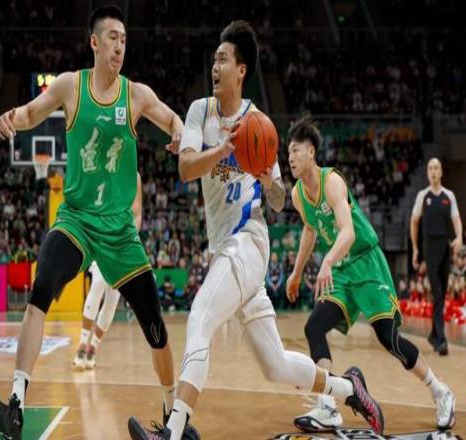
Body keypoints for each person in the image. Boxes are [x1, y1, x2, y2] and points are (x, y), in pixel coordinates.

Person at [127, 21, 384, 440]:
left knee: (200, 317)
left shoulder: (260, 123)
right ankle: (349, 389)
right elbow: (186, 168)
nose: (215, 67)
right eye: (213, 60)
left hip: (248, 241)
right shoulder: (199, 111)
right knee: (275, 365)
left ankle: (173, 430)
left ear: (241, 70)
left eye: (223, 60)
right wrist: (222, 149)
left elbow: (280, 200)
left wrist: (268, 181)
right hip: (224, 248)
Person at [0, 6, 197, 440]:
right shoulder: (70, 85)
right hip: (77, 221)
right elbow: (31, 113)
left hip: (119, 231)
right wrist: (11, 118)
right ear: (95, 42)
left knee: (154, 325)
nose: (120, 46)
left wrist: (179, 134)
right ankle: (16, 406)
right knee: (41, 290)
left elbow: (172, 119)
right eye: (113, 37)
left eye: (124, 39)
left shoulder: (136, 95)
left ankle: (173, 417)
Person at [286, 115, 456, 432]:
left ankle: (440, 391)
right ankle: (327, 406)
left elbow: (348, 232)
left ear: (311, 152)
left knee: (388, 338)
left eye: (296, 150)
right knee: (314, 328)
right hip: (342, 271)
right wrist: (296, 273)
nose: (291, 157)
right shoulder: (298, 194)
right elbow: (310, 229)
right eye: (288, 152)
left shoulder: (331, 182)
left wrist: (326, 261)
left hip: (366, 262)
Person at [72, 172, 142, 371]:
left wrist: (129, 237)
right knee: (98, 284)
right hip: (102, 239)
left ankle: (93, 348)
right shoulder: (102, 170)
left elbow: (137, 214)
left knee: (112, 300)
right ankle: (81, 345)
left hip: (123, 244)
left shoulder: (134, 175)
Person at [410, 158, 463, 355]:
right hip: (429, 249)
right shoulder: (422, 196)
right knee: (438, 293)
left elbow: (456, 220)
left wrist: (459, 237)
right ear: (427, 173)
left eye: (436, 168)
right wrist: (415, 249)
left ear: (441, 172)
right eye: (430, 168)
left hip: (445, 248)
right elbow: (414, 222)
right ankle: (441, 341)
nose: (433, 171)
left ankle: (433, 334)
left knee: (441, 294)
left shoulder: (449, 196)